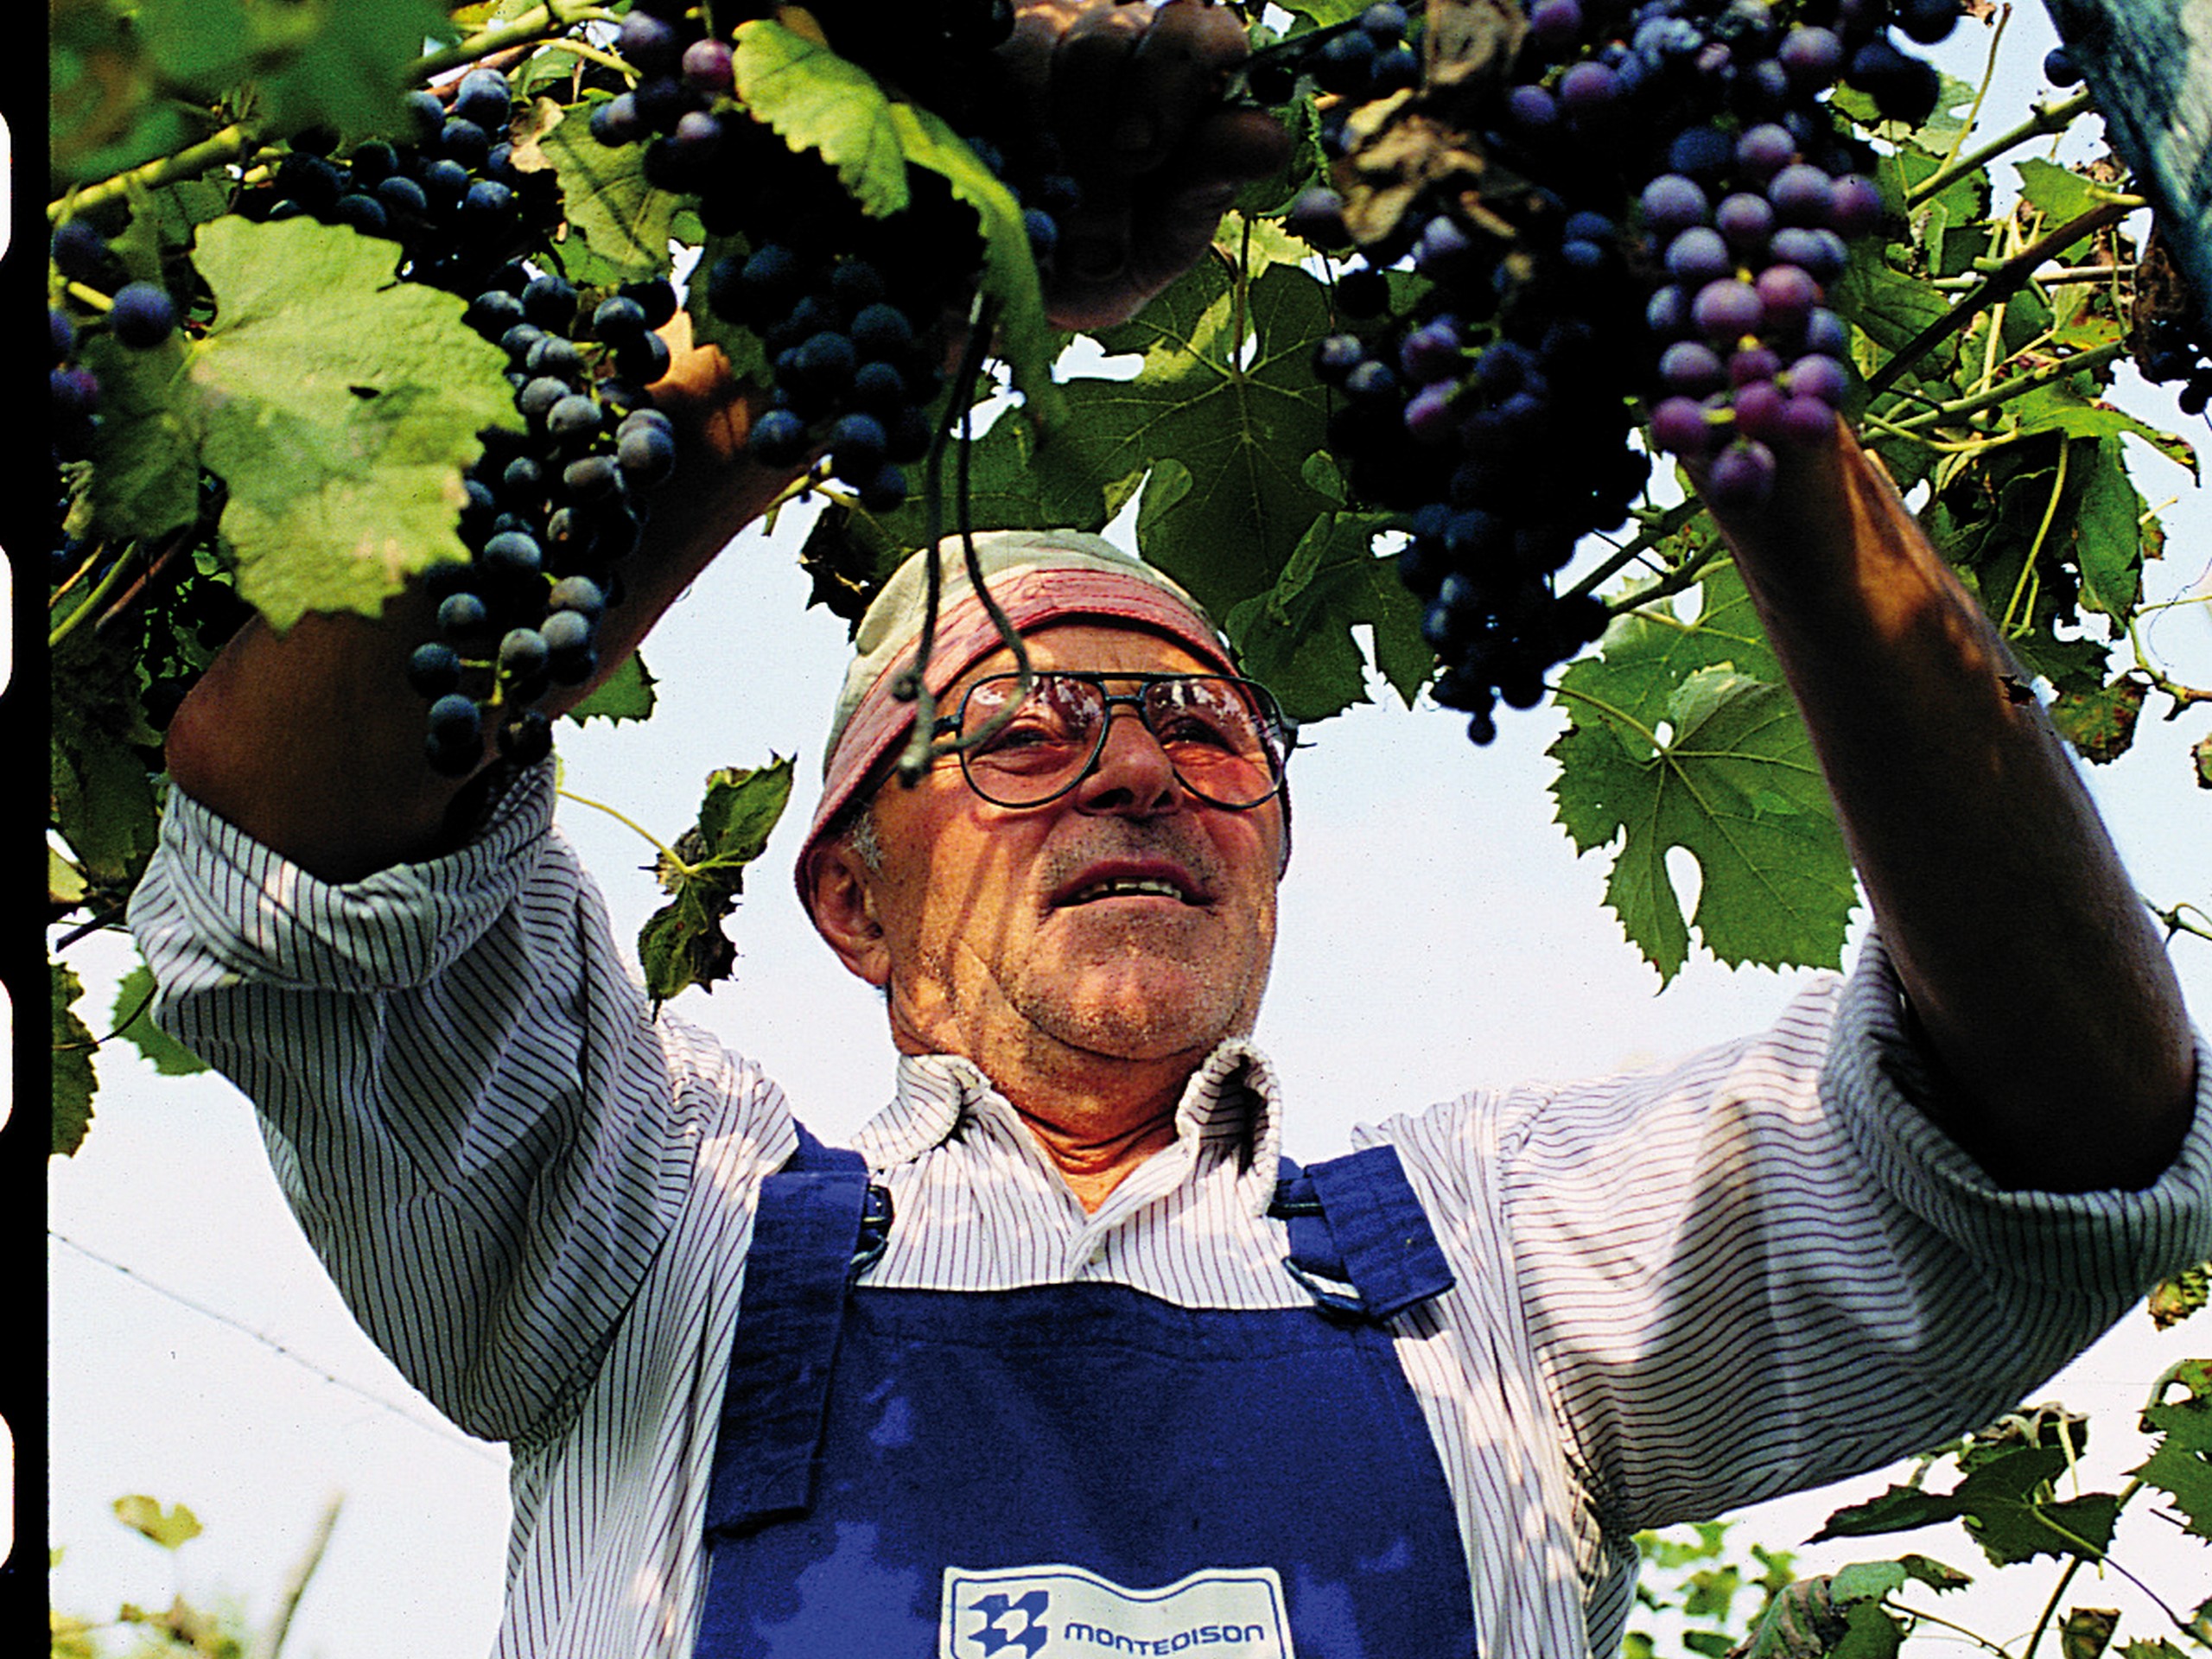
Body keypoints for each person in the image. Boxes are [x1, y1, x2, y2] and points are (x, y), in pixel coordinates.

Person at [126, 2, 2210, 1655]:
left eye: (1208, 732)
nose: (1136, 767)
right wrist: (830, 316)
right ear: (849, 888)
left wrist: (1734, 377)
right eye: (1023, 727)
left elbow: (2064, 1122)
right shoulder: (648, 1218)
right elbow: (298, 831)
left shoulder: (1491, 1259)